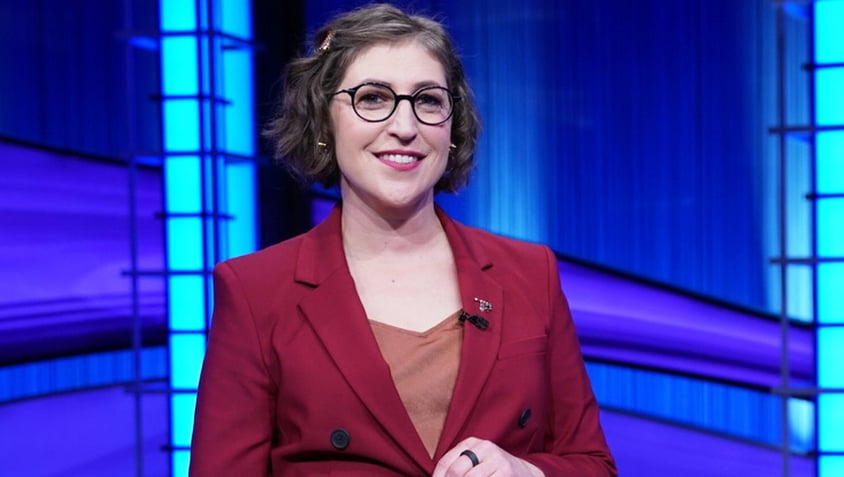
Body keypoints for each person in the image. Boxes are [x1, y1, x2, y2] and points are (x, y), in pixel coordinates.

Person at [190, 3, 616, 476]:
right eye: (372, 98)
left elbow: (592, 464)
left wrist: (526, 473)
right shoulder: (256, 290)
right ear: (324, 121)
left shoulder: (529, 273)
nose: (405, 127)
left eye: (428, 100)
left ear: (453, 128)